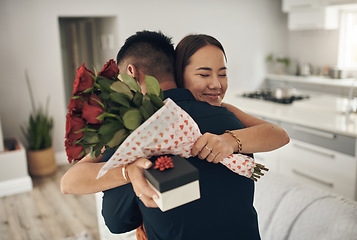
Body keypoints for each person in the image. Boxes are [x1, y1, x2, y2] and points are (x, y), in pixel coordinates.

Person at [61, 31, 289, 239]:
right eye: (204, 74)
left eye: (222, 74)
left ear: (131, 72)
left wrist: (126, 171)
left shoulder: (137, 136)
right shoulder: (231, 119)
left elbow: (117, 222)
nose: (215, 84)